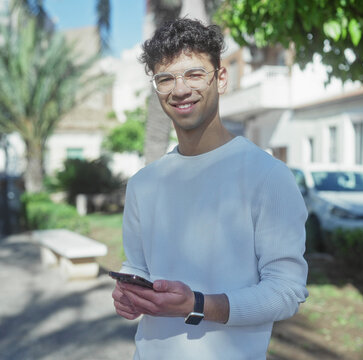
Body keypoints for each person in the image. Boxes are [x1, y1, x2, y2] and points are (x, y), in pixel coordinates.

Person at [111, 18, 309, 359]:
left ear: (220, 78)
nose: (180, 89)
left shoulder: (268, 176)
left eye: (194, 74)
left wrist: (197, 304)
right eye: (166, 78)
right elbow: (138, 266)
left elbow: (286, 291)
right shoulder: (143, 184)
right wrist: (128, 290)